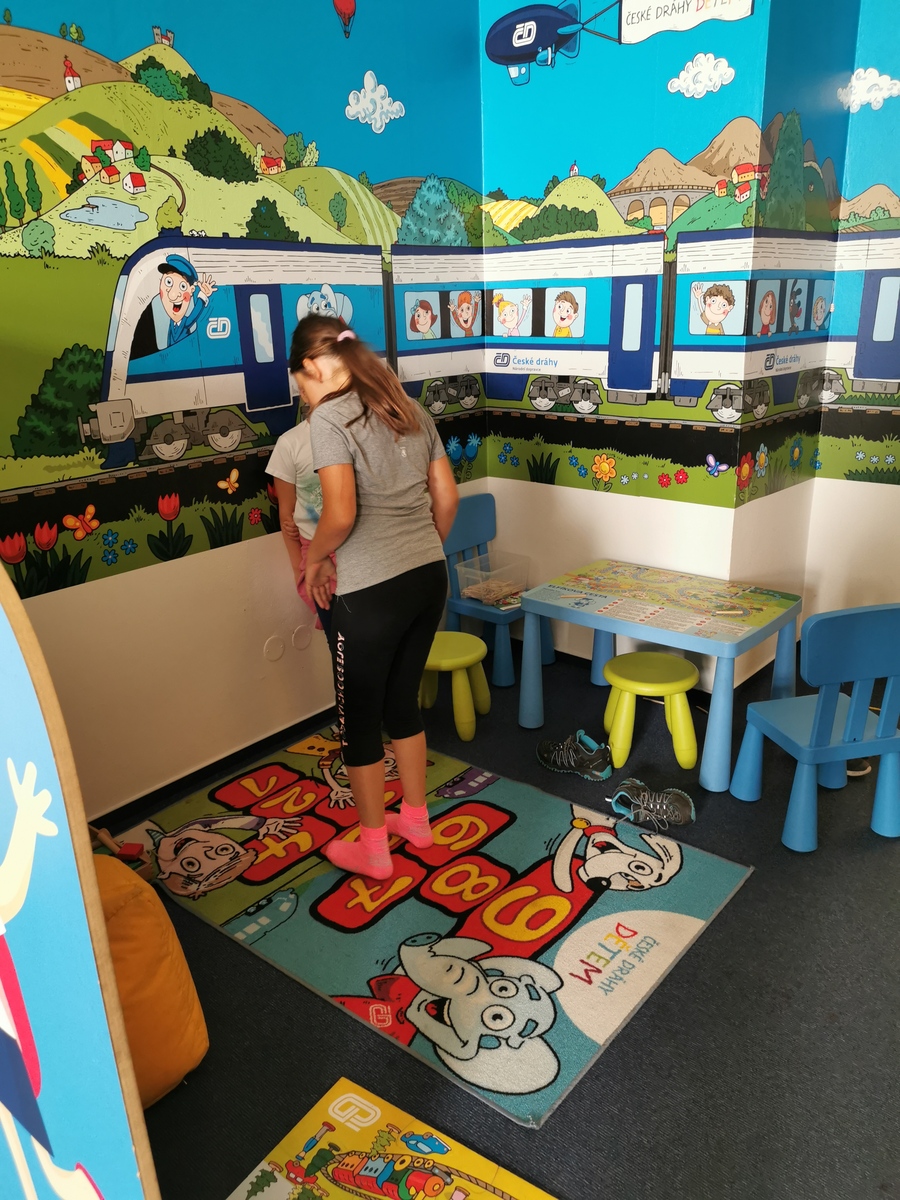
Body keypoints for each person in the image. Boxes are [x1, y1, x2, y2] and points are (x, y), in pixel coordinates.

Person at [297, 315, 459, 880]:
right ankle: (415, 820)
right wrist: (420, 552)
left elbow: (340, 513)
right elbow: (447, 499)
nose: (303, 395)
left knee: (359, 723)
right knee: (402, 704)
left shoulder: (329, 418)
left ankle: (373, 851)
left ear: (312, 366)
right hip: (429, 577)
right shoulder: (407, 407)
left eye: (300, 383)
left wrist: (314, 559)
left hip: (369, 593)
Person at [266, 380, 337, 631]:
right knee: (339, 637)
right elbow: (287, 516)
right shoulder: (290, 444)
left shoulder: (356, 434)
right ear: (303, 393)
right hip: (317, 553)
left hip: (357, 550)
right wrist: (300, 571)